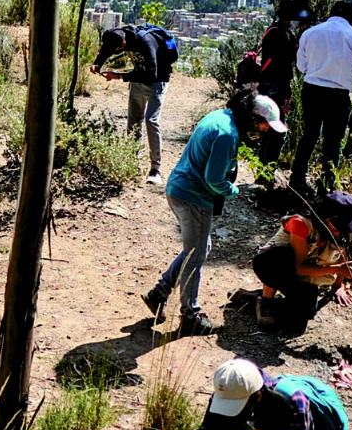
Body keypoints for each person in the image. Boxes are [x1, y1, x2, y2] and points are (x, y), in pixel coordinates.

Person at [141, 88, 285, 336]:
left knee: (198, 249)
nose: (265, 130)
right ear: (252, 118)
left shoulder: (221, 116)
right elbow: (214, 180)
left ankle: (159, 293)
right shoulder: (227, 135)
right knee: (195, 256)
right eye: (264, 125)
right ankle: (190, 316)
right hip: (193, 198)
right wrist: (234, 191)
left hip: (179, 190)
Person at [191, 358, 348, 430]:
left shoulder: (294, 404)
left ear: (257, 396)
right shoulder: (228, 392)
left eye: (237, 407)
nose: (229, 410)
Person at [290, 0, 352, 196]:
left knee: (310, 134)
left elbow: (301, 66)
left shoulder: (310, 33)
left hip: (312, 90)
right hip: (338, 94)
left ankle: (296, 178)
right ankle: (326, 185)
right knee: (333, 141)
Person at [253, 191, 352, 330]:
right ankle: (266, 301)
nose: (339, 232)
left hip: (304, 274)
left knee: (306, 312)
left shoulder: (344, 230)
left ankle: (256, 297)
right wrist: (337, 268)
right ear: (324, 217)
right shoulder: (301, 223)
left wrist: (337, 286)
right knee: (281, 257)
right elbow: (299, 267)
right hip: (274, 265)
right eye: (336, 226)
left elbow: (344, 256)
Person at [89, 24, 178, 185]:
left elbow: (152, 73)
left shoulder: (145, 42)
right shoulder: (116, 35)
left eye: (116, 49)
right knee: (133, 121)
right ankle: (132, 162)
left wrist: (118, 76)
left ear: (123, 45)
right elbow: (107, 49)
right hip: (138, 81)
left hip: (157, 82)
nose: (113, 51)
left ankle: (155, 169)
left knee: (151, 120)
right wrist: (98, 63)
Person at [254, 0, 315, 172]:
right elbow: (283, 65)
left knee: (271, 133)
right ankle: (265, 174)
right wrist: (283, 96)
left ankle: (263, 172)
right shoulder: (278, 34)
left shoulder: (283, 32)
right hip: (273, 87)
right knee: (278, 133)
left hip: (274, 86)